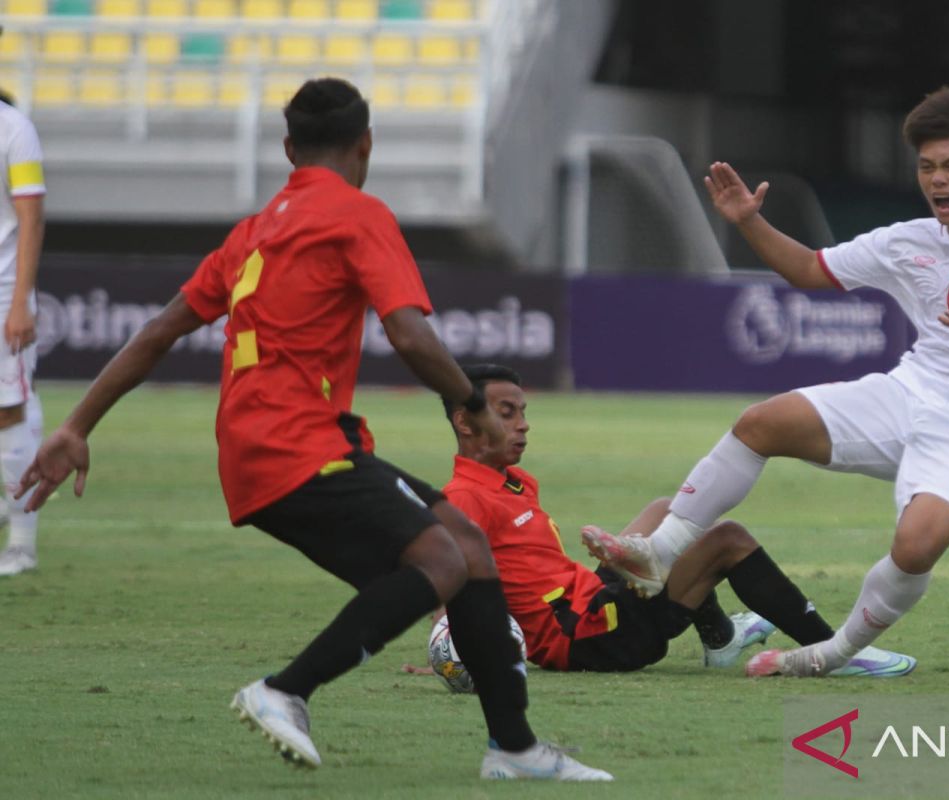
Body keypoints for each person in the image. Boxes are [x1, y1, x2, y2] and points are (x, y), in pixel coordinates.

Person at [15, 78, 611, 781]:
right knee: (443, 561)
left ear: (290, 147)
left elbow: (160, 329)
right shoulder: (357, 215)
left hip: (264, 451)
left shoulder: (253, 231)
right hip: (295, 445)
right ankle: (285, 689)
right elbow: (412, 336)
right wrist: (469, 401)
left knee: (468, 546)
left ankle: (513, 749)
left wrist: (78, 424)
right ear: (366, 144)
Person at [583, 87, 949, 678]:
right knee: (760, 423)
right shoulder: (906, 241)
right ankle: (657, 554)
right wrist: (749, 222)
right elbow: (809, 270)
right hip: (908, 394)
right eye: (926, 167)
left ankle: (832, 653)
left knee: (917, 547)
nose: (938, 180)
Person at [441, 363, 915, 677]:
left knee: (666, 511)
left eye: (524, 412)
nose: (523, 424)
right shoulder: (463, 498)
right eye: (508, 413)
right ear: (465, 422)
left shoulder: (516, 482)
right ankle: (831, 653)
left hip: (589, 601)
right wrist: (453, 650)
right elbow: (446, 581)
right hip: (591, 638)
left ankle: (720, 639)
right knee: (728, 539)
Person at [0, 90, 46, 578]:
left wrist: (19, 303)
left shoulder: (14, 129)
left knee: (8, 410)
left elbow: (31, 218)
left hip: (3, 290)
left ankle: (21, 545)